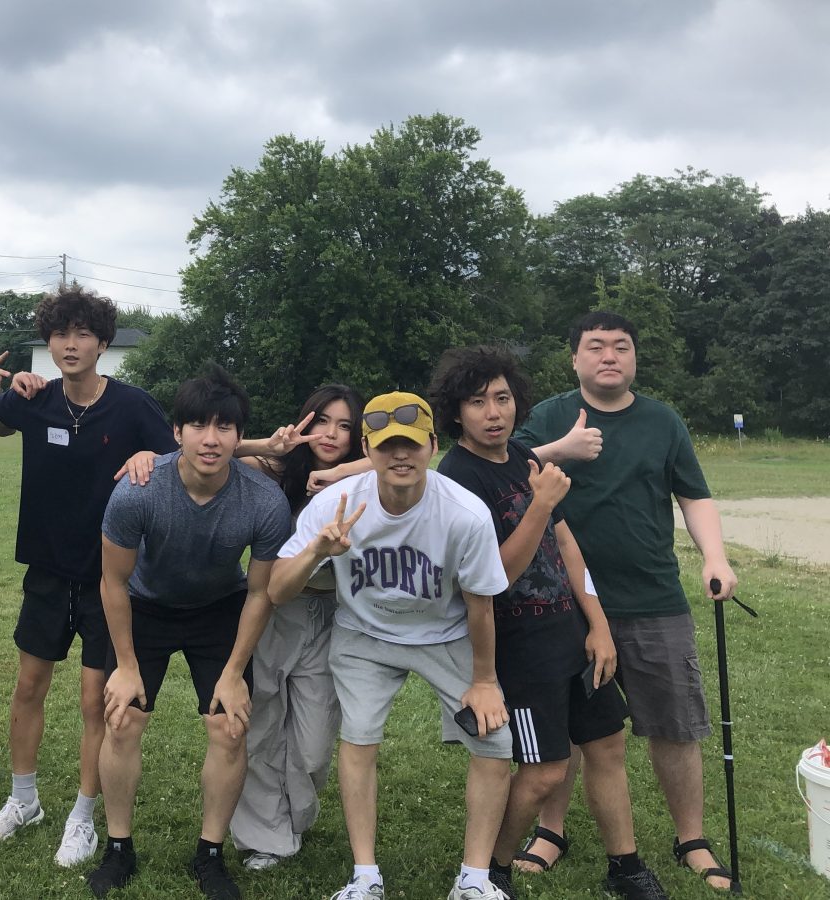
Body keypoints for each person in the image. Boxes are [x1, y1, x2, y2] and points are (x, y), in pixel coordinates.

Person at [0, 284, 176, 866]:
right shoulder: (34, 398)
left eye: (83, 334)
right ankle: (23, 800)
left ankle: (82, 815)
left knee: (95, 700)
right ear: (48, 342)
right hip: (47, 571)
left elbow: (182, 458)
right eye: (60, 334)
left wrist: (153, 457)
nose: (70, 344)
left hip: (109, 578)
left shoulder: (133, 406)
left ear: (102, 343)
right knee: (29, 687)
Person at [432, 346, 669, 900]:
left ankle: (626, 866)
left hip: (570, 631)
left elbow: (565, 544)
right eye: (477, 402)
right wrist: (539, 506)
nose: (494, 413)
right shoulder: (457, 478)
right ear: (456, 413)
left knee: (607, 746)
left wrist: (598, 624)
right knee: (545, 772)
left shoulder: (521, 456)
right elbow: (491, 580)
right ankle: (492, 870)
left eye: (502, 398)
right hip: (517, 647)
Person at [515, 311, 738, 892]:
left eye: (621, 346)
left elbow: (694, 496)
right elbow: (503, 471)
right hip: (563, 603)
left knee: (674, 724)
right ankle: (551, 829)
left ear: (634, 357)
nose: (609, 355)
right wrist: (561, 449)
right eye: (595, 346)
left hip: (652, 597)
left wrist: (715, 558)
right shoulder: (550, 416)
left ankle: (691, 837)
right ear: (574, 359)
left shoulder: (663, 421)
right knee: (566, 726)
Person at [271, 390, 513, 900]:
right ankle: (364, 876)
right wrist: (317, 549)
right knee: (358, 739)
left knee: (494, 742)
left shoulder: (464, 513)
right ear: (366, 448)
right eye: (385, 445)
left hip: (444, 633)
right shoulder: (336, 505)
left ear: (432, 445)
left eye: (411, 444)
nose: (399, 455)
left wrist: (485, 680)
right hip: (364, 633)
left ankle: (474, 878)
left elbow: (480, 604)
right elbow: (276, 589)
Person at [89, 364, 291, 899]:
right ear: (177, 432)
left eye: (224, 427)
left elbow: (260, 593)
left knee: (229, 726)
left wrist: (233, 672)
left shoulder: (264, 500)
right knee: (122, 719)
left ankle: (210, 854)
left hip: (218, 609)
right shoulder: (138, 491)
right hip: (145, 607)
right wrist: (126, 665)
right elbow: (113, 581)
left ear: (238, 436)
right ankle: (118, 847)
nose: (211, 439)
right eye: (198, 425)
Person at [227, 385, 368, 869]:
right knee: (263, 723)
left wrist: (341, 473)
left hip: (332, 614)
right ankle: (264, 837)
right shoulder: (276, 470)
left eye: (344, 425)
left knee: (313, 743)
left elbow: (418, 461)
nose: (331, 434)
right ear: (305, 421)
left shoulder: (362, 479)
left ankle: (293, 816)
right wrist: (268, 445)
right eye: (322, 421)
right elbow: (212, 451)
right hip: (269, 610)